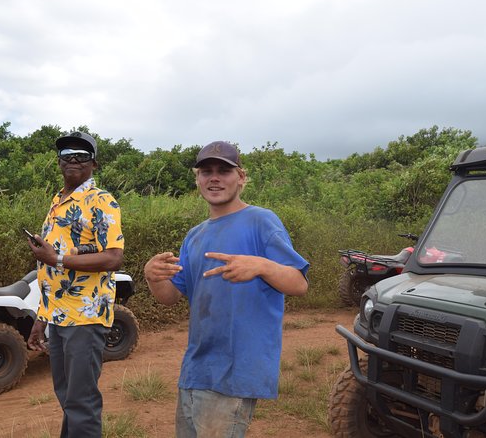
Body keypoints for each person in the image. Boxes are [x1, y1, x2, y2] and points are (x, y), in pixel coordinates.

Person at [144, 141, 309, 438]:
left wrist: (261, 266)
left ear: (241, 177)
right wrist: (153, 277)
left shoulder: (261, 220)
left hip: (235, 370)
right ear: (197, 179)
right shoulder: (195, 235)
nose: (214, 178)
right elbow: (170, 298)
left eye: (224, 170)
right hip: (195, 368)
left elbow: (299, 283)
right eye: (206, 171)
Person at [26, 131, 124, 438]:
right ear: (58, 162)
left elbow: (112, 258)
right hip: (58, 314)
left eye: (81, 155)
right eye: (67, 153)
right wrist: (41, 318)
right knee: (67, 395)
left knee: (81, 401)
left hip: (86, 315)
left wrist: (56, 258)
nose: (73, 159)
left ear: (94, 163)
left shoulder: (101, 201)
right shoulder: (58, 201)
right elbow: (50, 268)